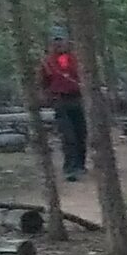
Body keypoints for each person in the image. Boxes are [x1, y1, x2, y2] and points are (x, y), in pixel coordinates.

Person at [41, 30, 87, 182]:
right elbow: (43, 82)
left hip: (77, 99)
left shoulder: (75, 59)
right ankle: (70, 168)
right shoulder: (48, 62)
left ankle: (80, 164)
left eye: (61, 40)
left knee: (81, 133)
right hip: (60, 100)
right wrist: (49, 97)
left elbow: (83, 77)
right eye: (56, 41)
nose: (59, 43)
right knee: (68, 136)